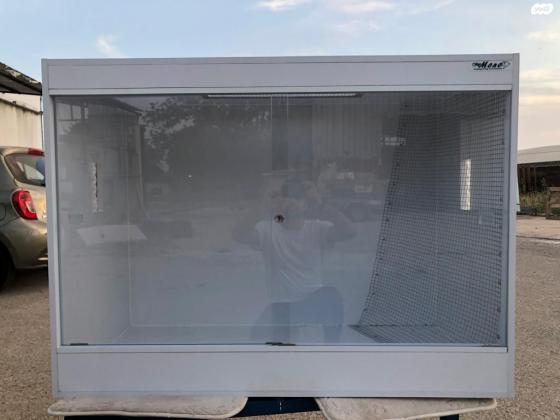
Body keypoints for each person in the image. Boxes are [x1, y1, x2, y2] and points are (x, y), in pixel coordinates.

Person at [233, 177, 355, 343]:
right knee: (257, 340)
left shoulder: (317, 227)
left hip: (311, 300)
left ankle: (331, 348)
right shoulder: (269, 229)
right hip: (281, 305)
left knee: (332, 296)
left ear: (306, 202)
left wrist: (320, 204)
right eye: (287, 196)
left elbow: (350, 232)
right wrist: (264, 205)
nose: (292, 202)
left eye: (298, 197)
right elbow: (239, 234)